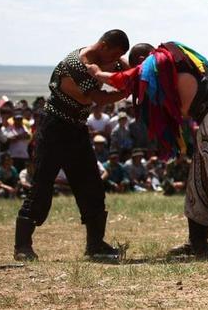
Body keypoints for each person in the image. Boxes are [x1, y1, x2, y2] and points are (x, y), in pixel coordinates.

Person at [89, 41, 208, 258]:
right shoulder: (170, 61)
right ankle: (198, 243)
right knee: (199, 184)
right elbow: (138, 74)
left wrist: (97, 73)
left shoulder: (158, 61)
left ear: (142, 62)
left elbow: (130, 77)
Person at [13, 29, 130, 262]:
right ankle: (22, 246)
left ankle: (95, 245)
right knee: (42, 186)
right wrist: (126, 90)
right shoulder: (77, 65)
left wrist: (130, 67)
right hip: (54, 129)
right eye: (114, 54)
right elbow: (100, 98)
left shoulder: (102, 60)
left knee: (91, 185)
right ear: (104, 46)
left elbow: (122, 64)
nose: (115, 61)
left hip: (76, 129)